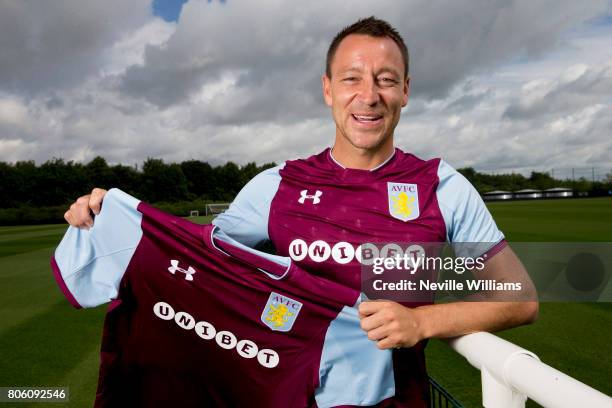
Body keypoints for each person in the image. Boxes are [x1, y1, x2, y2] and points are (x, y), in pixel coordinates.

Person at [64, 16, 538, 407]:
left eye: (386, 80)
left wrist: (422, 323)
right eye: (352, 78)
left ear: (406, 91)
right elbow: (197, 259)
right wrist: (109, 213)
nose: (369, 95)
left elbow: (520, 298)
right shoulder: (277, 186)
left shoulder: (443, 187)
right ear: (328, 89)